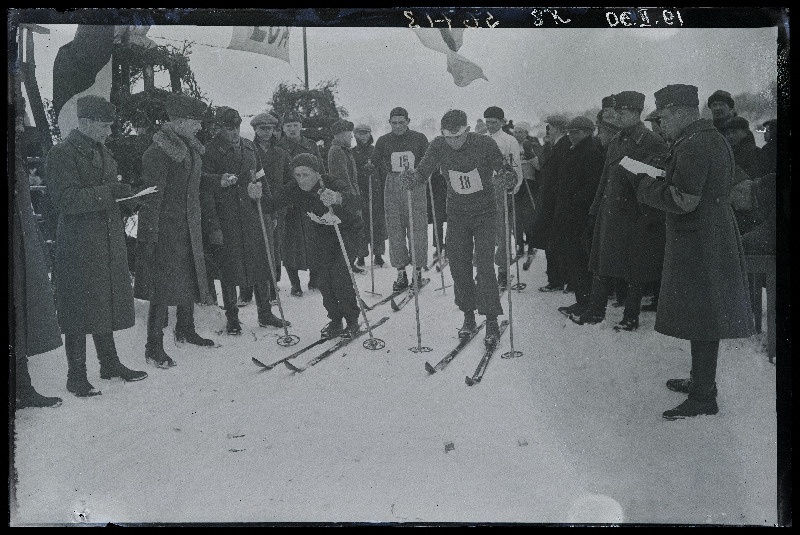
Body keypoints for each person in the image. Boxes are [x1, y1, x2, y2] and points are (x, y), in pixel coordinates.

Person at [627, 84, 754, 419]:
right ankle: (701, 382)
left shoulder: (696, 144)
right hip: (707, 236)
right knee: (703, 314)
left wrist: (646, 187)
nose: (661, 124)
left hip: (700, 241)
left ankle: (703, 397)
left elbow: (684, 199)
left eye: (664, 116)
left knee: (703, 317)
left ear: (682, 111)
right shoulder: (707, 138)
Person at [44, 95, 148, 397]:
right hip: (78, 242)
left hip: (106, 239)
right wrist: (110, 193)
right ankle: (76, 376)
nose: (108, 131)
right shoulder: (62, 154)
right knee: (77, 306)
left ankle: (109, 364)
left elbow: (105, 196)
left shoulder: (102, 151)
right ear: (86, 123)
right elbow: (65, 200)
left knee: (102, 299)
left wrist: (130, 201)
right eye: (103, 125)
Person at [400, 109, 515, 345]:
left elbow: (504, 169)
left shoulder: (484, 144)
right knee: (459, 265)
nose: (453, 142)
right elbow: (423, 172)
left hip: (484, 212)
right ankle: (468, 316)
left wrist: (508, 178)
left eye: (458, 137)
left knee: (484, 265)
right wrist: (413, 178)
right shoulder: (438, 146)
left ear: (467, 131)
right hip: (457, 214)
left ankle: (491, 319)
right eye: (448, 137)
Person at [135, 93, 218, 369]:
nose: (198, 127)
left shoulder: (190, 148)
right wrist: (148, 236)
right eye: (195, 122)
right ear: (179, 121)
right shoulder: (158, 153)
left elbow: (196, 181)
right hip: (167, 230)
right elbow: (152, 196)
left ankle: (185, 329)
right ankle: (153, 346)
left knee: (189, 277)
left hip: (189, 227)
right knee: (162, 287)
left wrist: (220, 180)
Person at [573, 91, 669, 331]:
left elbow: (658, 175)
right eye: (616, 112)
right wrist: (594, 212)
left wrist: (633, 170)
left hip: (637, 212)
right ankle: (596, 311)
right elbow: (605, 180)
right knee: (602, 261)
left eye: (622, 112)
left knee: (635, 266)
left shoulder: (652, 141)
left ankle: (631, 316)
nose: (617, 116)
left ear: (636, 113)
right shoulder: (616, 141)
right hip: (610, 211)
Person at [201, 106, 291, 335]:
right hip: (227, 218)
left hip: (254, 215)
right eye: (229, 128)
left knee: (261, 262)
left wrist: (269, 208)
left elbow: (262, 178)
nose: (234, 133)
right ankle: (232, 317)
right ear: (218, 128)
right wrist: (213, 226)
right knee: (229, 268)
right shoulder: (211, 151)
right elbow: (207, 192)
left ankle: (265, 313)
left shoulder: (249, 146)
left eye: (236, 128)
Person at [261, 153, 365, 338]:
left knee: (340, 274)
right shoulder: (295, 188)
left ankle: (352, 320)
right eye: (297, 175)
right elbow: (271, 204)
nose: (301, 180)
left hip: (347, 232)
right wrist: (256, 194)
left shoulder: (331, 183)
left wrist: (337, 198)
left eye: (306, 174)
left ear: (318, 173)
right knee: (323, 278)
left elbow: (357, 200)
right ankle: (335, 319)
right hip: (322, 234)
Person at [13, 98, 64, 408]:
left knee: (20, 316)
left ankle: (23, 387)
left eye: (20, 120)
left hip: (20, 244)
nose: (20, 126)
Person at [549, 116, 605, 318]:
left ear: (587, 132)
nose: (571, 136)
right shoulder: (577, 150)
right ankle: (582, 301)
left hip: (580, 217)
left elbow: (592, 188)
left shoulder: (590, 153)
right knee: (575, 260)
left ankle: (587, 303)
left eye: (575, 132)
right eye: (569, 132)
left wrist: (572, 200)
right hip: (570, 215)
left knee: (582, 261)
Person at [370, 106, 429, 292]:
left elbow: (428, 161)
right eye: (393, 123)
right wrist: (372, 167)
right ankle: (401, 272)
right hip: (393, 183)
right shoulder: (383, 140)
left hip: (414, 182)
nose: (397, 126)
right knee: (395, 227)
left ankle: (417, 271)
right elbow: (376, 159)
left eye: (401, 123)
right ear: (389, 123)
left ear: (408, 122)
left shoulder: (419, 138)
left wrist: (422, 173)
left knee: (417, 227)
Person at [248, 112, 294, 302]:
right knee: (253, 248)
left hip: (275, 207)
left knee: (274, 248)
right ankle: (248, 289)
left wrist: (282, 203)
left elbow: (289, 181)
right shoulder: (249, 150)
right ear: (255, 130)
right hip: (253, 205)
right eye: (262, 129)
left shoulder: (282, 153)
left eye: (270, 129)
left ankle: (272, 286)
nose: (266, 133)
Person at [278, 111, 323, 295]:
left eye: (295, 125)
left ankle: (315, 279)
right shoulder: (279, 147)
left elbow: (320, 169)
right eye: (288, 126)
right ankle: (295, 283)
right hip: (290, 201)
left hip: (311, 199)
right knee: (290, 243)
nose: (292, 129)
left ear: (300, 126)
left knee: (315, 238)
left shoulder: (311, 145)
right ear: (283, 128)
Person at [531, 115, 572, 292]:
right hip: (551, 201)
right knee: (552, 241)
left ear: (556, 128)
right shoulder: (556, 145)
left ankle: (558, 280)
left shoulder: (563, 146)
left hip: (554, 202)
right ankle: (557, 279)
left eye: (550, 127)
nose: (548, 130)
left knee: (555, 242)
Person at [484, 106, 523, 290]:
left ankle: (502, 269)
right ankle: (484, 269)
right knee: (483, 228)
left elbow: (515, 166)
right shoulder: (482, 140)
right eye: (488, 121)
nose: (490, 125)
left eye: (494, 122)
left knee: (501, 228)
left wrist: (513, 186)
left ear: (502, 122)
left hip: (500, 185)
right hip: (483, 187)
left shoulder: (509, 140)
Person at [327, 119, 368, 273]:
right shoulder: (337, 151)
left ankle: (349, 263)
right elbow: (342, 178)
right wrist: (352, 198)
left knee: (352, 232)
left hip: (349, 196)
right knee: (349, 232)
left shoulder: (344, 150)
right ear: (340, 135)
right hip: (346, 199)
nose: (351, 137)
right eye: (349, 134)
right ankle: (346, 264)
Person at [719, 116, 770, 235]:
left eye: (734, 132)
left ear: (745, 132)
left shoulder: (755, 153)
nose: (730, 136)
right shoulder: (728, 153)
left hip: (748, 205)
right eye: (728, 133)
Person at [352, 123, 387, 267]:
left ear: (370, 134)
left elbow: (383, 171)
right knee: (361, 224)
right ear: (355, 135)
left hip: (376, 192)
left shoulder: (375, 151)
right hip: (361, 192)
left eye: (365, 133)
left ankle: (378, 254)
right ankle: (361, 255)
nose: (363, 136)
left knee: (377, 224)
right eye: (360, 133)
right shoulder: (352, 153)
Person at [512, 121, 538, 265]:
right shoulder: (511, 145)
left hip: (529, 183)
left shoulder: (531, 145)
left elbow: (539, 165)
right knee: (517, 218)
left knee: (528, 217)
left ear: (526, 133)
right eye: (515, 132)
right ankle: (520, 247)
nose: (517, 135)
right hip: (516, 184)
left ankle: (531, 246)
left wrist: (530, 155)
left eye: (520, 132)